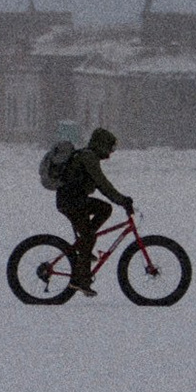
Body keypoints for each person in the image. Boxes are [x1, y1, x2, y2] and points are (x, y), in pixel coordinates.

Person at [47, 126, 134, 295]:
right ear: (102, 145)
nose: (111, 151)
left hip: (76, 200)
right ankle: (81, 281)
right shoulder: (88, 157)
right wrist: (122, 200)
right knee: (88, 237)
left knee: (104, 209)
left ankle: (84, 247)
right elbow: (102, 183)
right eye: (110, 147)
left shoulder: (88, 156)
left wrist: (118, 201)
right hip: (71, 202)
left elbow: (101, 185)